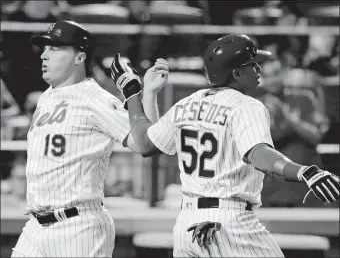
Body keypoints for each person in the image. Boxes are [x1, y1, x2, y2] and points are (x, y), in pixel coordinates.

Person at [111, 34, 340, 257]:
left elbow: (144, 144)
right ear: (236, 73)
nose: (259, 70)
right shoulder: (247, 105)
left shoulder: (186, 104)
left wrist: (134, 94)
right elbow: (258, 154)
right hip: (229, 223)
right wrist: (302, 171)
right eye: (252, 65)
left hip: (187, 225)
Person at [11, 20, 169, 257]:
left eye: (54, 49)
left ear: (79, 57)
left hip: (78, 227)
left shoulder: (95, 100)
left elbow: (148, 144)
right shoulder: (46, 97)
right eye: (45, 48)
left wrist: (143, 94)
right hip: (35, 226)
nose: (44, 55)